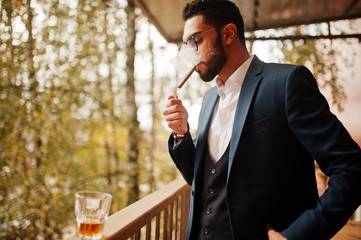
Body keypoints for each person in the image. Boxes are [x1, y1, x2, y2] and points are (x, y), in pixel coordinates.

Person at [162, 0, 361, 239]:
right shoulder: (208, 100)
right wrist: (181, 133)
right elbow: (203, 180)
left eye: (196, 40)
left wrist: (298, 235)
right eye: (186, 45)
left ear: (228, 33)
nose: (190, 53)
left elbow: (352, 168)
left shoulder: (287, 83)